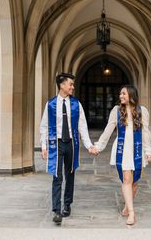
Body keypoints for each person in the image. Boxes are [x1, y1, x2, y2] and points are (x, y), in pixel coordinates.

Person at [40, 73, 97, 224]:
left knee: (70, 174)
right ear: (62, 85)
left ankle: (67, 204)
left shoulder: (76, 104)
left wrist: (89, 145)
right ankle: (57, 210)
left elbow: (82, 126)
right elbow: (44, 126)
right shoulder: (51, 104)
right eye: (70, 84)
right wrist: (44, 146)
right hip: (56, 144)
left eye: (72, 84)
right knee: (57, 177)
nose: (72, 87)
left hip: (71, 144)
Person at [93, 85, 151, 225]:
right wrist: (99, 146)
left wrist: (148, 150)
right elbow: (109, 129)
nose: (121, 96)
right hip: (123, 149)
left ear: (131, 95)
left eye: (124, 94)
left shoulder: (142, 111)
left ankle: (127, 206)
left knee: (135, 182)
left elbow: (146, 133)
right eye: (120, 94)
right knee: (126, 179)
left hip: (137, 149)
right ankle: (132, 213)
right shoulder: (117, 111)